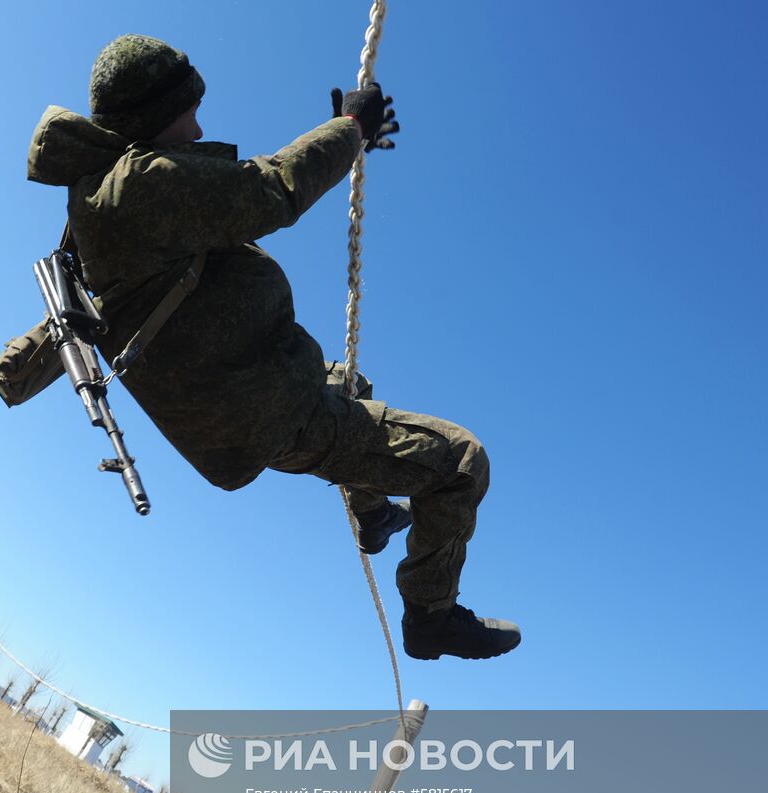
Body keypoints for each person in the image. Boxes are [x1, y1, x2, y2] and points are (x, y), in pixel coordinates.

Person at [25, 35, 521, 660]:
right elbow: (273, 188)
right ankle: (431, 615)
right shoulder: (138, 187)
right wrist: (351, 129)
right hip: (269, 410)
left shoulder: (98, 203)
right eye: (187, 114)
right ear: (151, 117)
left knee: (352, 384)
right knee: (460, 463)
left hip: (258, 393)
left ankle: (372, 517)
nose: (197, 128)